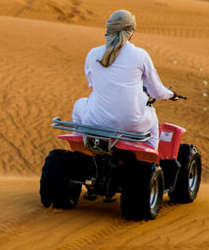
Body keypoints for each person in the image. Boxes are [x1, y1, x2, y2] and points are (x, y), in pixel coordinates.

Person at [71, 10, 178, 149]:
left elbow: (92, 83)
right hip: (131, 124)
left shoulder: (93, 54)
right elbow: (157, 92)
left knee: (79, 103)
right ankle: (152, 158)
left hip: (95, 121)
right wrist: (171, 94)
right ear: (131, 32)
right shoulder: (141, 55)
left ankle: (79, 149)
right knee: (152, 116)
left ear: (108, 30)